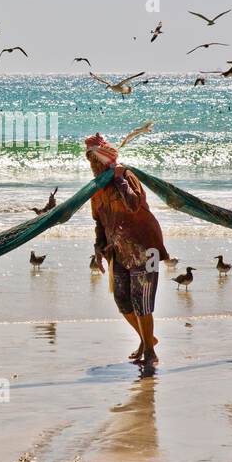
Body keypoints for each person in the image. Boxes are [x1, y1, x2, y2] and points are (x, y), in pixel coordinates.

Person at [86, 134, 169, 365]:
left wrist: (120, 178)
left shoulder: (127, 176)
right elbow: (99, 222)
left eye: (94, 161)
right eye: (90, 162)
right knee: (123, 302)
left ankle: (150, 352)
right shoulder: (97, 189)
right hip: (118, 250)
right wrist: (98, 249)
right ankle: (148, 339)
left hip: (146, 247)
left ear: (104, 160)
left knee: (142, 301)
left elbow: (133, 204)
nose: (92, 166)